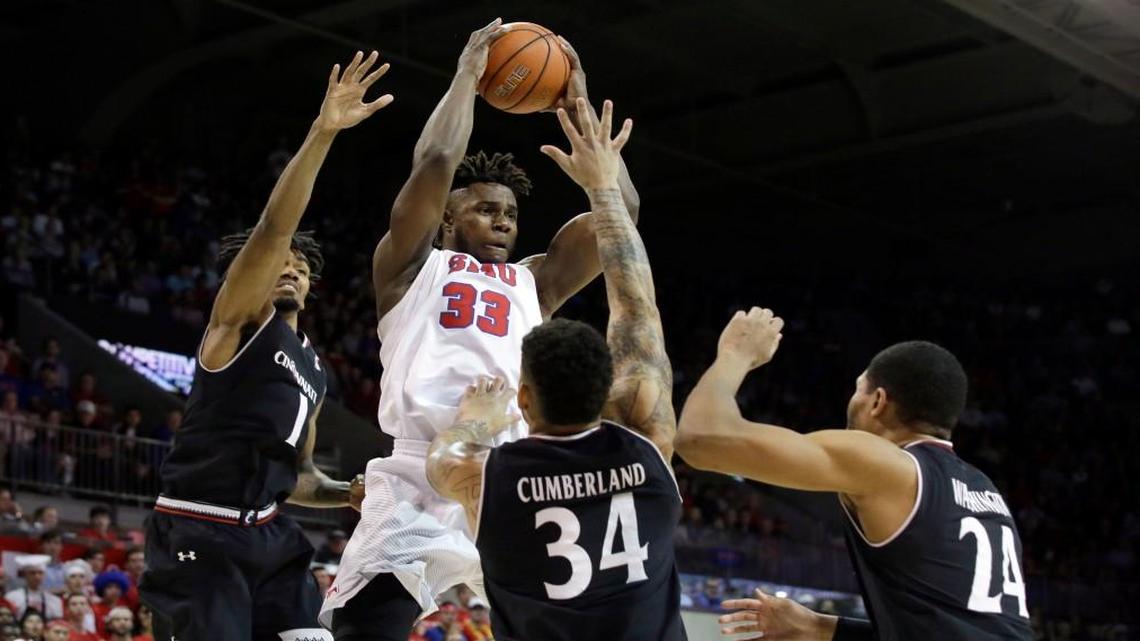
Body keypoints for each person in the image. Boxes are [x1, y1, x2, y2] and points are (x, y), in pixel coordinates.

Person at [324, 22, 641, 640]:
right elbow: (439, 159)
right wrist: (469, 74)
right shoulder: (411, 267)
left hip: (511, 470)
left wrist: (576, 106)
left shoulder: (535, 283)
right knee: (367, 629)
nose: (502, 222)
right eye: (485, 209)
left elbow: (620, 214)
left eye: (511, 214)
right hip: (418, 471)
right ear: (447, 217)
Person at [137, 51, 391, 641]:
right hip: (200, 528)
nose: (288, 267)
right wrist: (323, 132)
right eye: (279, 261)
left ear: (313, 282)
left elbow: (298, 474)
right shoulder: (240, 324)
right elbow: (276, 227)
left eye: (301, 265)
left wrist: (345, 493)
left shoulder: (315, 369)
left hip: (273, 534)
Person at [425, 100, 683, 641]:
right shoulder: (649, 447)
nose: (501, 222)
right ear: (608, 394)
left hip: (474, 468)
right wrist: (602, 178)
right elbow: (636, 306)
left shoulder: (489, 477)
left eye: (510, 214)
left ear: (523, 397)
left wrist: (474, 420)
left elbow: (445, 458)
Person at [676, 318, 1034, 641]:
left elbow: (701, 439)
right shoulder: (985, 490)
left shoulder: (888, 466)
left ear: (878, 401)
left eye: (857, 389)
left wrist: (735, 356)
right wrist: (819, 628)